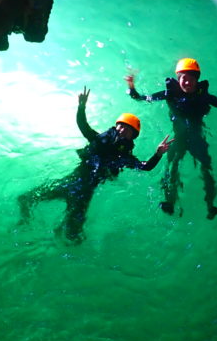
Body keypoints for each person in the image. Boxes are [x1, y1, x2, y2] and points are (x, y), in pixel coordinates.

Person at [18, 87, 171, 242]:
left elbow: (146, 166)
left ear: (133, 136)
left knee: (73, 236)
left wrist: (158, 154)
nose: (123, 130)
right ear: (116, 126)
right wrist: (81, 106)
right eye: (121, 126)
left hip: (84, 195)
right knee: (26, 198)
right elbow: (83, 125)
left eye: (128, 129)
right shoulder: (99, 140)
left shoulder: (124, 157)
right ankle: (25, 223)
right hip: (71, 183)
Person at [125, 58, 217, 219]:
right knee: (172, 167)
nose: (187, 82)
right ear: (178, 79)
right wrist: (131, 86)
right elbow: (141, 98)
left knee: (206, 168)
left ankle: (210, 205)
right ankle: (169, 202)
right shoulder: (169, 94)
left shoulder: (205, 97)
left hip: (197, 137)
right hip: (177, 139)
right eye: (183, 78)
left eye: (191, 79)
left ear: (197, 80)